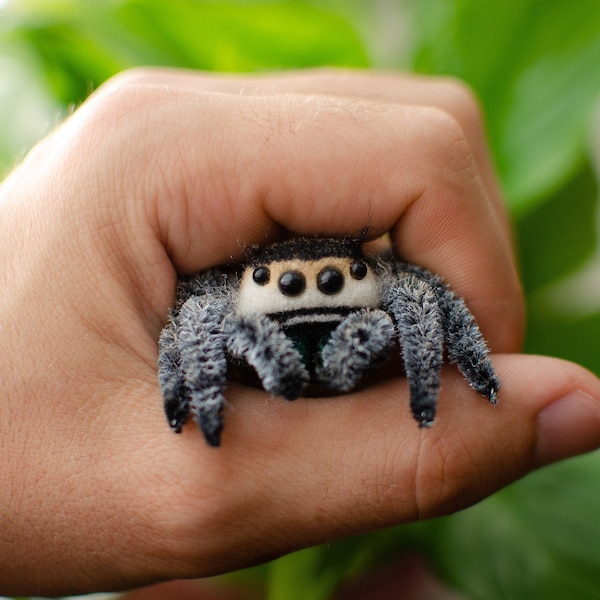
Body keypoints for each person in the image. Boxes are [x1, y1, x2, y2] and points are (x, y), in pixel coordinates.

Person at [1, 68, 599, 597]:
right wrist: (190, 388)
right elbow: (189, 321)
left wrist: (459, 367)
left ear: (370, 276)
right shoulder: (217, 302)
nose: (310, 288)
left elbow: (429, 294)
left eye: (339, 278)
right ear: (254, 280)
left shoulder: (395, 291)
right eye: (282, 282)